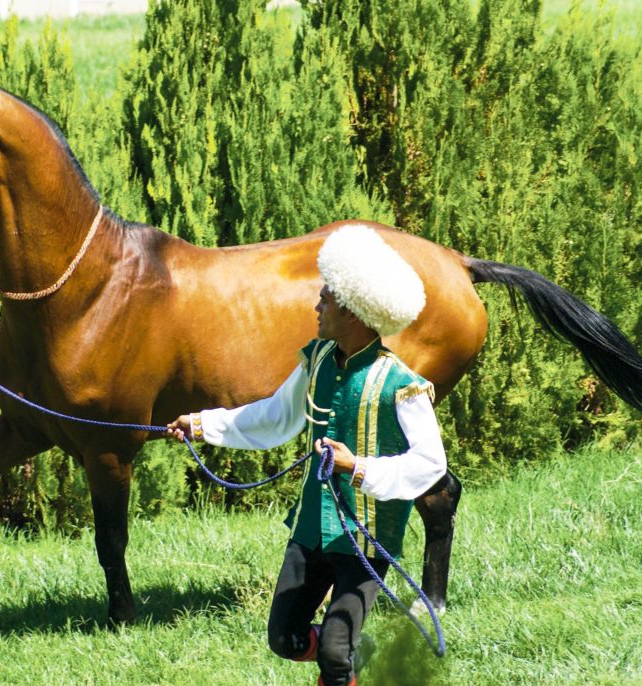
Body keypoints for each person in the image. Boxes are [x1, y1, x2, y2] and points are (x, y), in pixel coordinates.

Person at [168, 225, 448, 686]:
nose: (316, 305)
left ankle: (343, 661)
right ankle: (355, 655)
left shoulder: (403, 386)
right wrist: (200, 425)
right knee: (284, 638)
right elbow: (275, 416)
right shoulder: (315, 360)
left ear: (353, 312)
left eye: (325, 299)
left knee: (335, 654)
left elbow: (430, 464)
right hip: (312, 527)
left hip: (366, 535)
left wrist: (356, 467)